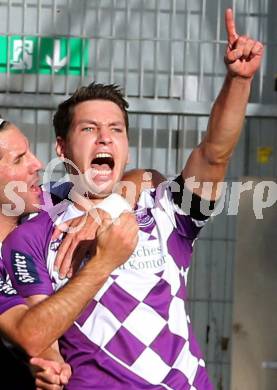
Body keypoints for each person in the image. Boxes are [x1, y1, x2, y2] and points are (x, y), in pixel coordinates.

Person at [2, 8, 264, 389]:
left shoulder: (163, 207)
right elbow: (38, 334)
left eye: (116, 129)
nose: (105, 137)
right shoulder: (32, 235)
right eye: (89, 129)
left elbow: (214, 154)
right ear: (62, 146)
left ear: (127, 144)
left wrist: (239, 81)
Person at [0, 118, 141, 388]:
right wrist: (103, 263)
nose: (37, 164)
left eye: (29, 151)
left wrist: (110, 207)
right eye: (19, 159)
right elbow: (29, 335)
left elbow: (144, 179)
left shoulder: (48, 202)